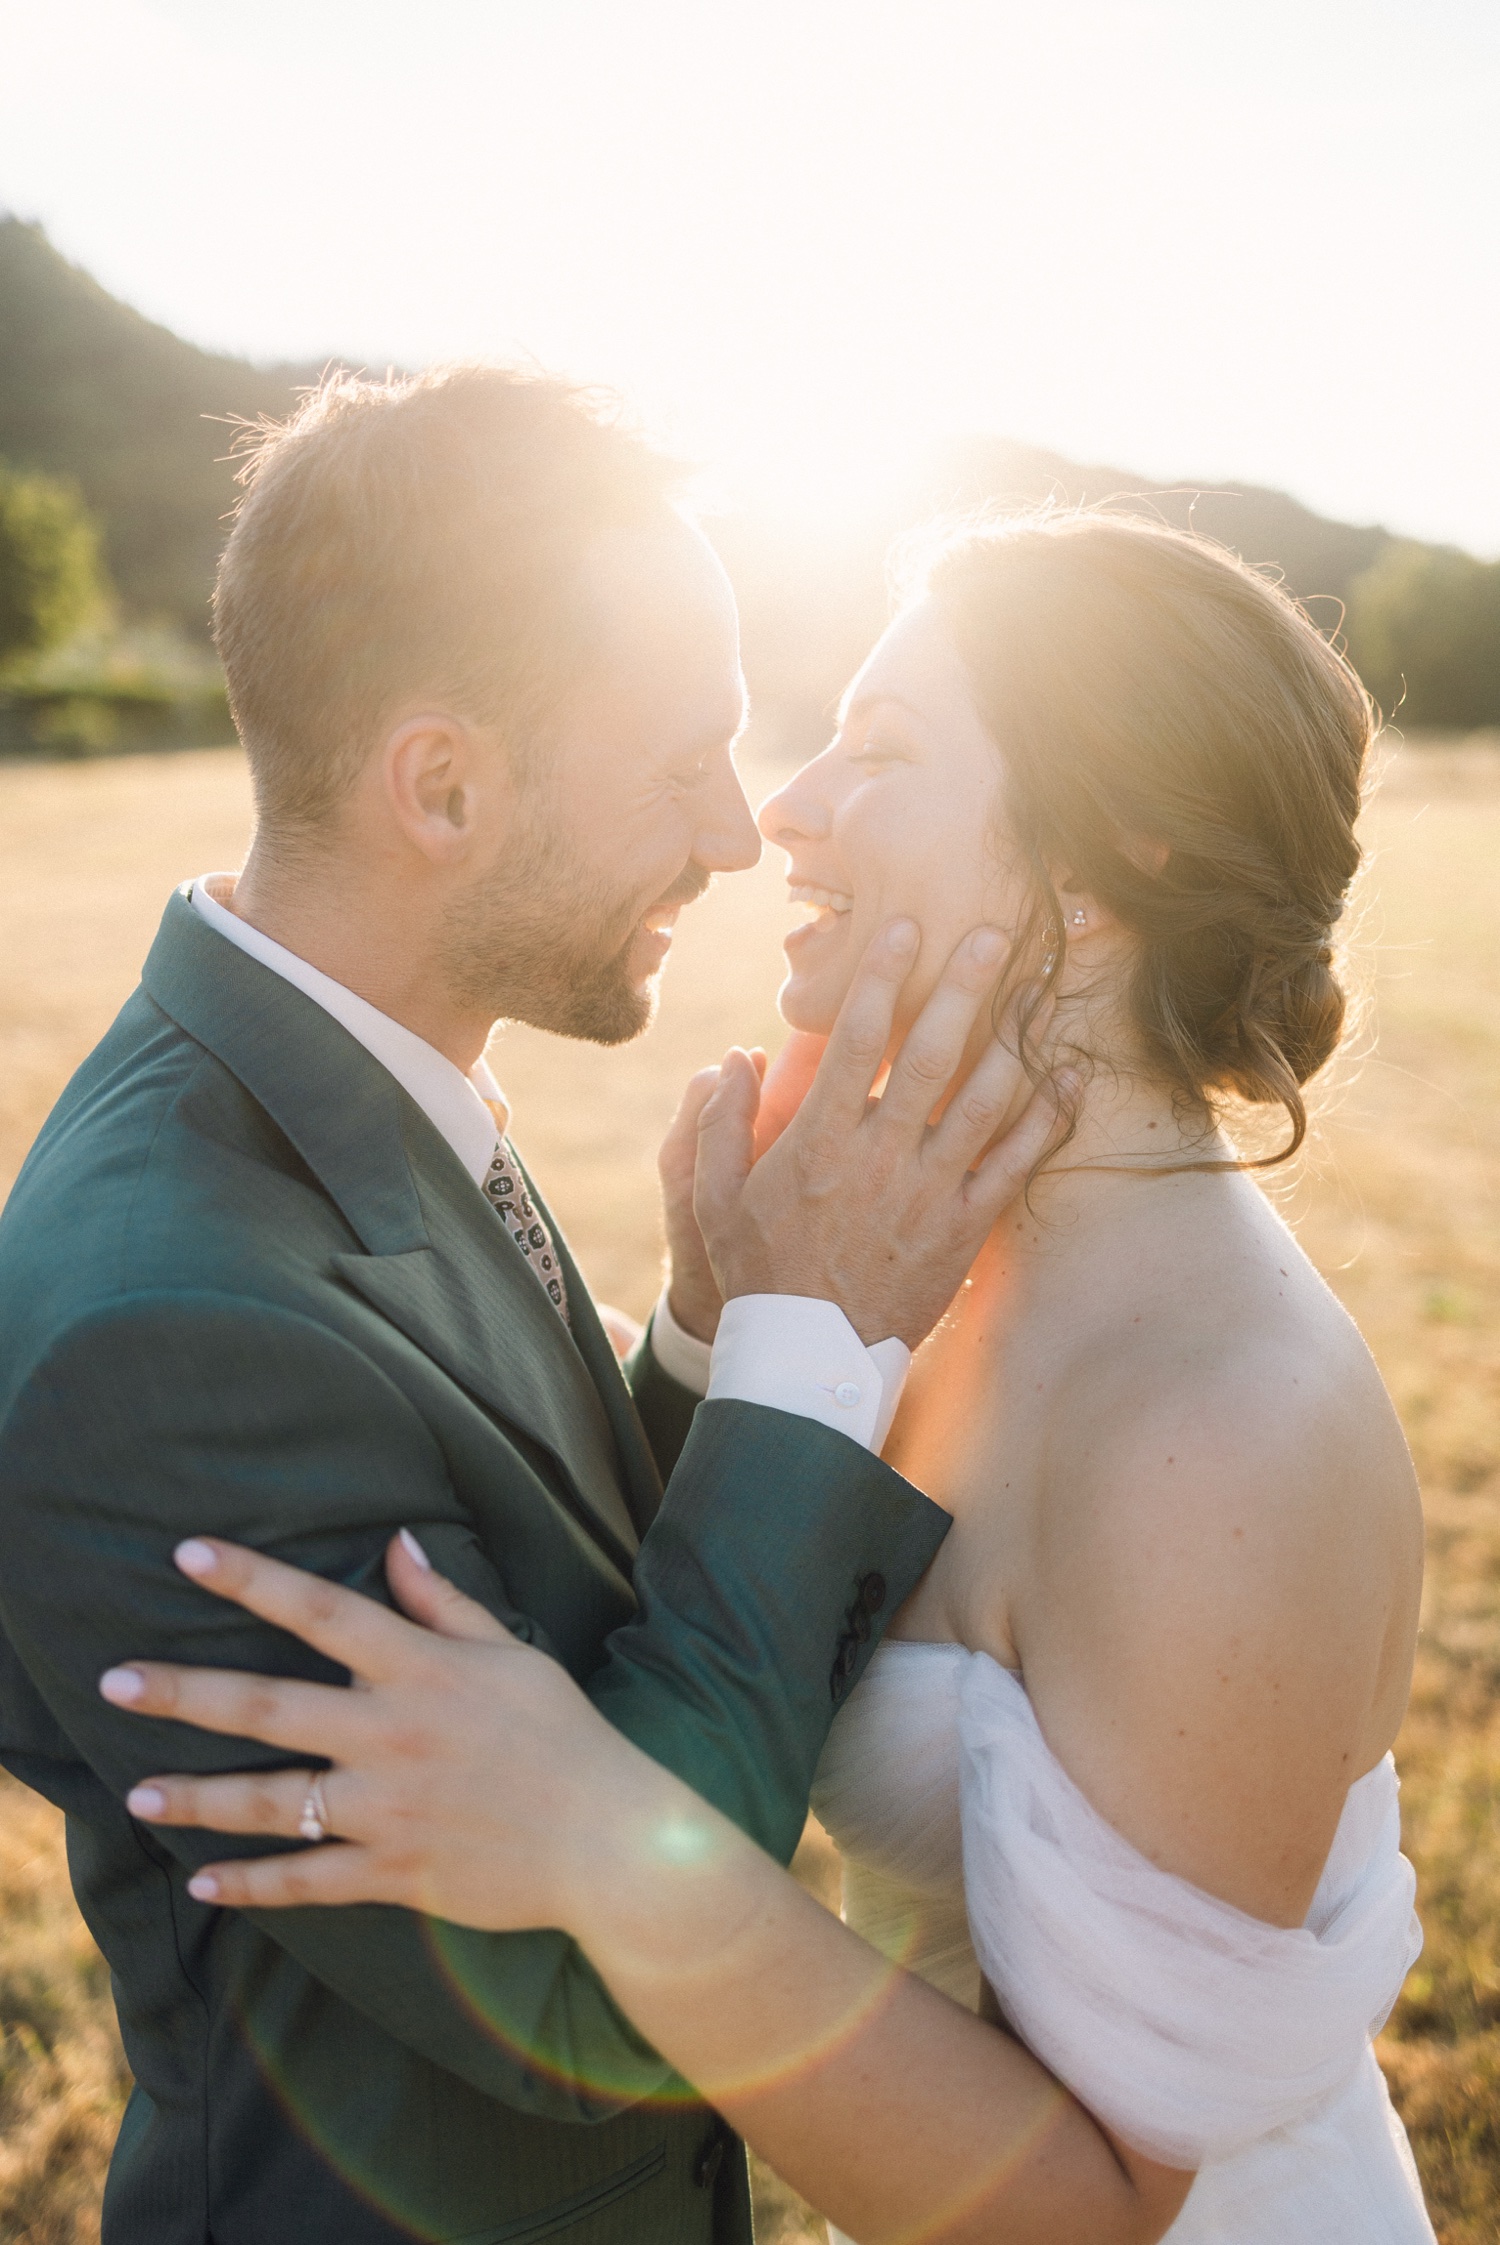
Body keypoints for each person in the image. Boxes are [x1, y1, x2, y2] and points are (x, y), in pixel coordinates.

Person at [111, 512, 1434, 2243]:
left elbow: (1098, 2208)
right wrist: (723, 1322)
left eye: (878, 751)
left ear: (1114, 855)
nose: (782, 812)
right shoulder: (914, 1241)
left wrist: (596, 1832)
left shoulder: (1221, 1433)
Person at [0, 366, 1067, 2245]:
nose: (737, 834)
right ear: (442, 786)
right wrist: (811, 1366)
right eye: (679, 760)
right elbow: (586, 1992)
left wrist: (712, 1344)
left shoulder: (344, 1074)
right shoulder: (167, 1336)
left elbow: (538, 1632)